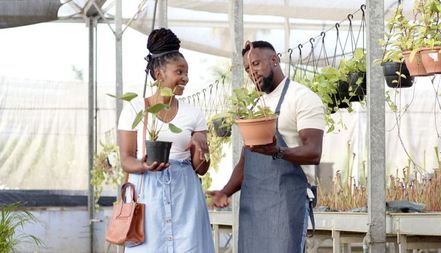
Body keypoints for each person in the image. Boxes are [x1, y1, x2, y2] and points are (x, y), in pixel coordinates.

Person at [208, 40, 325, 253]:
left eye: (256, 64)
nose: (252, 72)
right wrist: (225, 192)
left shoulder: (301, 98)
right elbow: (246, 161)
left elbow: (313, 152)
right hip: (253, 207)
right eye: (247, 69)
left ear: (274, 60)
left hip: (286, 203)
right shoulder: (256, 107)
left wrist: (278, 151)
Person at [117, 28, 215, 252]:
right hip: (147, 195)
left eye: (187, 73)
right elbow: (126, 159)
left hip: (185, 197)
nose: (186, 78)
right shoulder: (133, 109)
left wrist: (202, 150)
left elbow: (201, 169)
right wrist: (143, 165)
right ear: (160, 74)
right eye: (179, 72)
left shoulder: (194, 114)